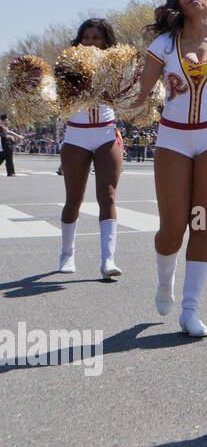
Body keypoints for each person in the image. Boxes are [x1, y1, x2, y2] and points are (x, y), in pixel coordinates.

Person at [131, 0, 207, 337]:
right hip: (173, 141)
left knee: (201, 223)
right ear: (178, 4)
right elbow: (141, 93)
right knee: (171, 227)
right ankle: (165, 282)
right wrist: (110, 93)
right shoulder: (164, 44)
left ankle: (190, 309)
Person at [56, 18, 125, 279]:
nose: (91, 42)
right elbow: (61, 101)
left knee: (108, 196)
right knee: (74, 200)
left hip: (107, 134)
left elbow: (127, 96)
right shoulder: (67, 64)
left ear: (106, 40)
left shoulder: (117, 63)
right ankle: (67, 253)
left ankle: (108, 259)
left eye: (96, 37)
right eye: (86, 37)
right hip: (76, 136)